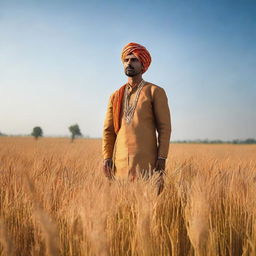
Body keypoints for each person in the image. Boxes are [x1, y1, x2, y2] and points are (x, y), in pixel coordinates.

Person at [102, 42, 171, 192]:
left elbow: (164, 128)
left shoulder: (155, 92)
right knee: (122, 206)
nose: (129, 63)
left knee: (147, 207)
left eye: (134, 60)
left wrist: (162, 158)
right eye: (126, 60)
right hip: (119, 165)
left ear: (143, 65)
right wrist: (107, 157)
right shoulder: (116, 96)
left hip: (147, 163)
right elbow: (108, 130)